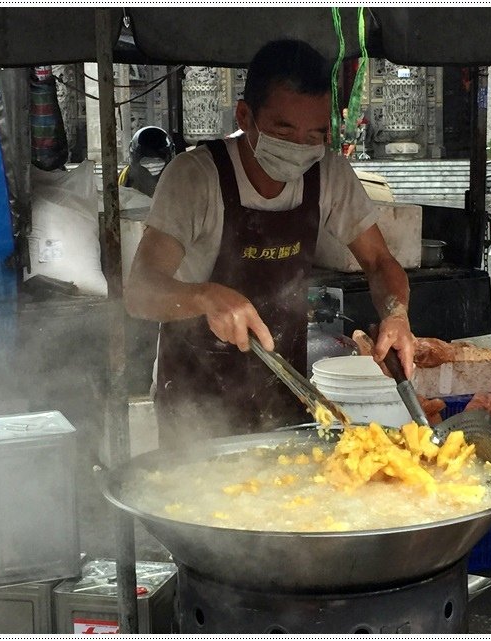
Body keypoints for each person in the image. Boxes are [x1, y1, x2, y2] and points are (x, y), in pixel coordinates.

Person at [125, 39, 415, 449]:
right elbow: (139, 290)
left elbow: (379, 262)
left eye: (315, 133)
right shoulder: (194, 177)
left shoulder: (329, 173)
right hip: (196, 397)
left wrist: (396, 315)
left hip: (285, 388)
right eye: (284, 129)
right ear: (245, 115)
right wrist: (206, 298)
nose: (301, 146)